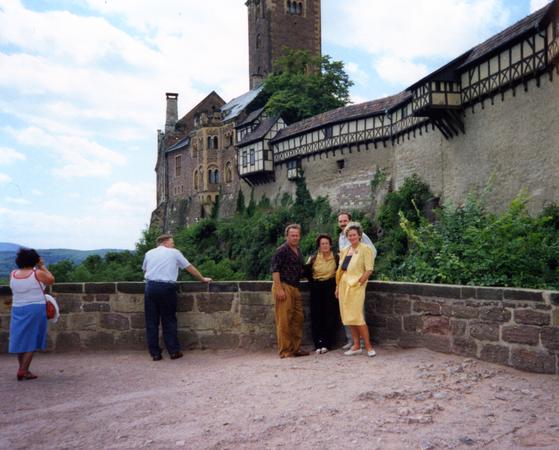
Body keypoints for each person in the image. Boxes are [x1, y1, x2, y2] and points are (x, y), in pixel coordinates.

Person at [142, 234, 211, 361]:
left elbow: (145, 270)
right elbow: (189, 267)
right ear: (165, 242)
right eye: (172, 242)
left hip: (150, 287)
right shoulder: (174, 253)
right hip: (167, 288)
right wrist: (202, 279)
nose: (173, 244)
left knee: (151, 322)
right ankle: (173, 351)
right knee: (169, 320)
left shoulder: (149, 253)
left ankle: (155, 354)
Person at [9, 248, 55, 380]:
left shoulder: (13, 274)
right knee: (32, 338)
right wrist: (42, 266)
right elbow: (51, 280)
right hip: (35, 308)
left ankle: (25, 370)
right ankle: (23, 370)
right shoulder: (37, 273)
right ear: (34, 260)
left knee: (20, 338)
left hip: (17, 308)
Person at [335, 222, 376, 357]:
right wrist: (337, 287)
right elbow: (341, 270)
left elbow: (369, 269)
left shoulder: (366, 249)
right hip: (344, 285)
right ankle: (356, 345)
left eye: (354, 235)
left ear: (359, 235)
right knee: (348, 316)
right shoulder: (345, 250)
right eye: (349, 235)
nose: (352, 237)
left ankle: (368, 347)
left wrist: (360, 282)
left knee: (357, 316)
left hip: (356, 286)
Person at [271, 224, 309, 358]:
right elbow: (275, 270)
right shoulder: (281, 250)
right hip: (284, 286)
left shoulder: (298, 250)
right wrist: (279, 289)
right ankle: (285, 351)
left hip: (295, 287)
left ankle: (295, 349)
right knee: (284, 320)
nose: (295, 237)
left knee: (298, 319)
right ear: (286, 236)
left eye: (297, 235)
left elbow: (301, 269)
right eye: (292, 235)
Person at [303, 234, 340, 354]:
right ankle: (318, 343)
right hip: (317, 287)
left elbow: (341, 272)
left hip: (330, 286)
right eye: (322, 244)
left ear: (330, 245)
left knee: (330, 314)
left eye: (326, 243)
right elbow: (306, 271)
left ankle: (327, 343)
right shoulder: (313, 258)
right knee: (316, 315)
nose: (324, 246)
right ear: (319, 246)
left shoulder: (336, 257)